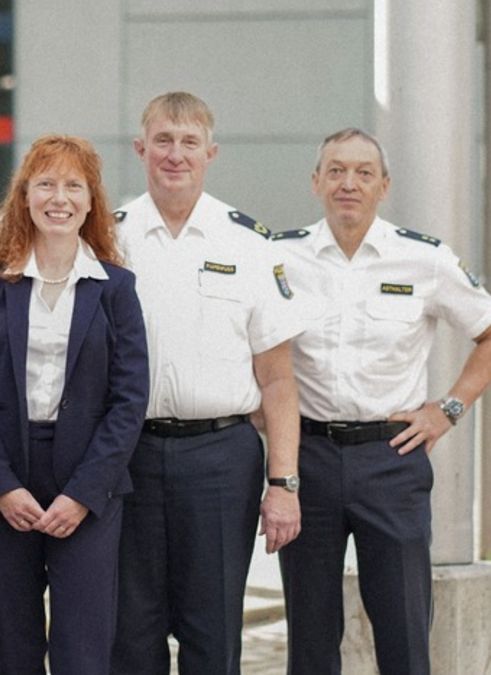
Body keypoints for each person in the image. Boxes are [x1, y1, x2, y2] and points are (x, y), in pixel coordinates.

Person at [274, 128, 491, 675]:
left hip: (392, 460)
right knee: (310, 637)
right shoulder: (279, 257)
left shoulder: (423, 259)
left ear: (384, 186)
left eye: (363, 173)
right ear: (315, 182)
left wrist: (448, 410)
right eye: (336, 170)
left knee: (403, 630)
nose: (348, 183)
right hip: (307, 458)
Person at [111, 91, 302, 675]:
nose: (176, 154)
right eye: (163, 141)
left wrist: (283, 483)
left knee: (213, 632)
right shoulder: (108, 239)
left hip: (221, 458)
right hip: (128, 454)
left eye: (189, 142)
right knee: (129, 632)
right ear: (141, 148)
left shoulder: (248, 243)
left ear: (210, 153)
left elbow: (278, 379)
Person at [0, 134, 150, 675]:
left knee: (82, 652)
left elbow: (129, 400)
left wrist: (83, 494)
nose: (58, 198)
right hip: (3, 477)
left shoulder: (116, 287)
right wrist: (1, 486)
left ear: (90, 201)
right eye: (45, 184)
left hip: (88, 481)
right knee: (15, 650)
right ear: (24, 197)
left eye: (73, 186)